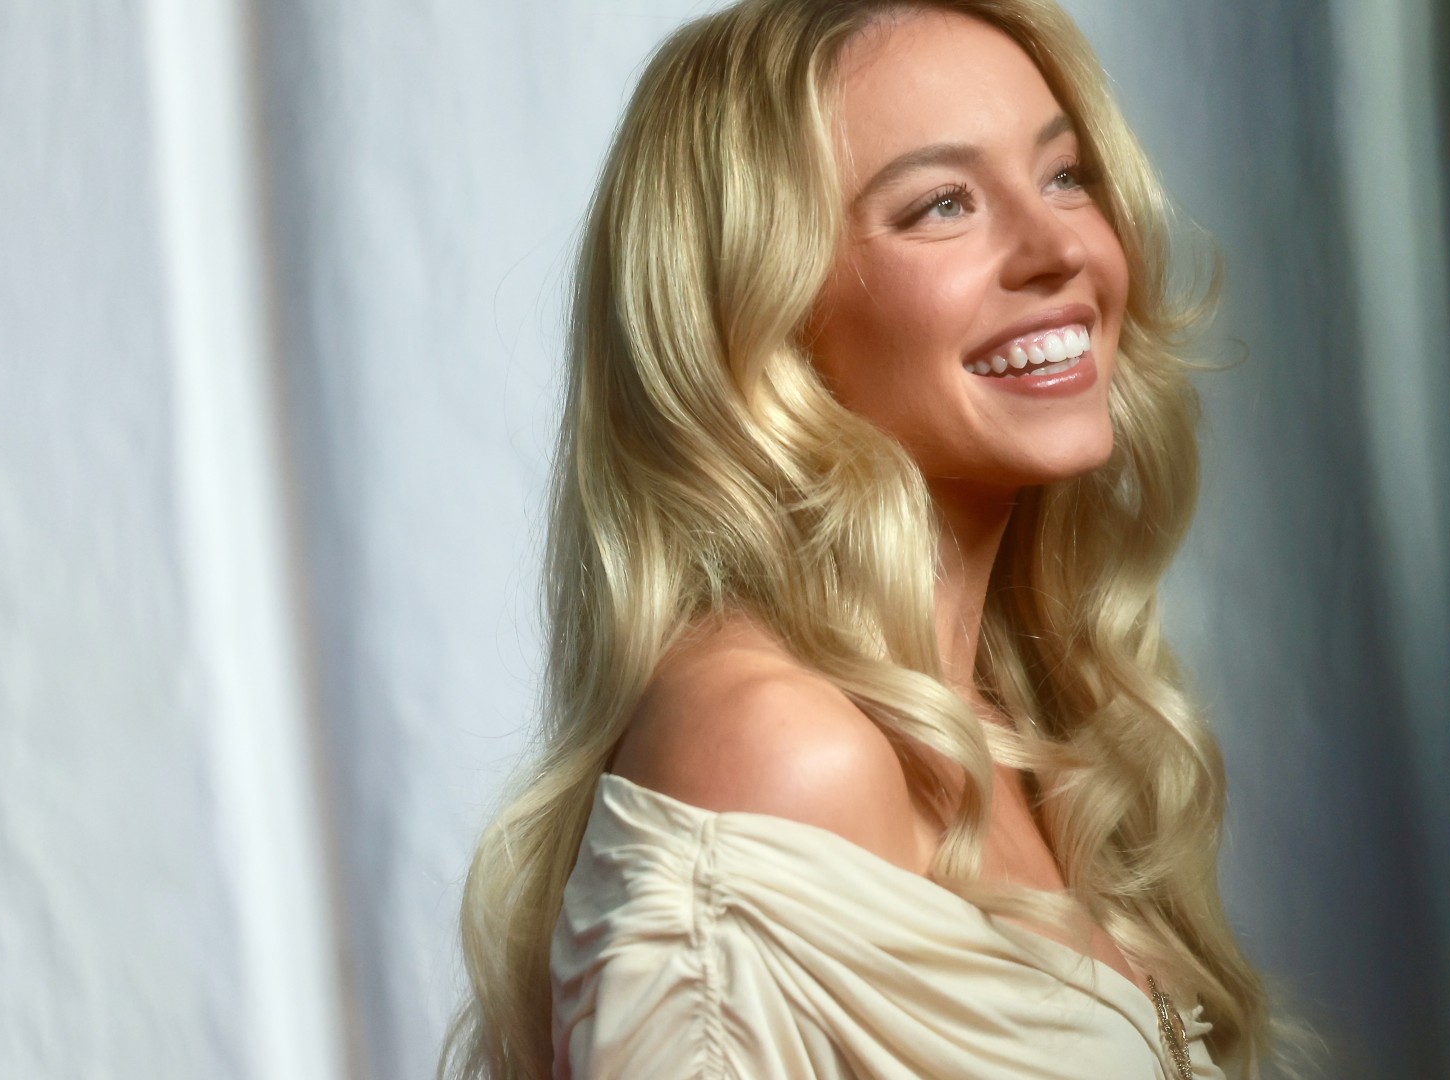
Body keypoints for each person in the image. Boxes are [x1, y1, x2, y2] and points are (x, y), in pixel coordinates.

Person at [444, 1, 1286, 1077]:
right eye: (942, 204)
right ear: (761, 315)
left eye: (1066, 175)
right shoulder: (777, 745)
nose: (1057, 248)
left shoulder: (1030, 718)